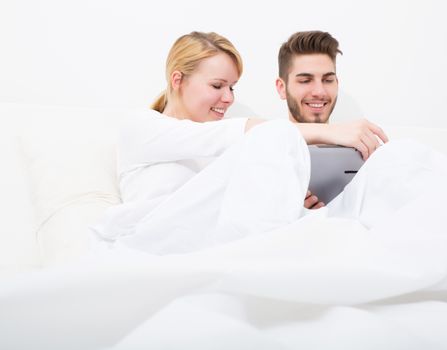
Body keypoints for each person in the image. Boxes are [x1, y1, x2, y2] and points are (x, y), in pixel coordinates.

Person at [91, 31, 386, 255]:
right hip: (166, 245)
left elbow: (238, 212)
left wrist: (291, 201)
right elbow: (251, 135)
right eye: (217, 86)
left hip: (223, 247)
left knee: (403, 161)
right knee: (274, 137)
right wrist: (330, 132)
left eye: (231, 87)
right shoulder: (142, 127)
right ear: (178, 80)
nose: (229, 98)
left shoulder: (225, 151)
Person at [276, 30, 388, 209]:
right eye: (305, 80)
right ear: (282, 88)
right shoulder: (264, 149)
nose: (319, 91)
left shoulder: (364, 148)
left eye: (328, 80)